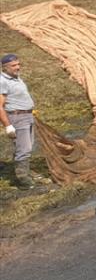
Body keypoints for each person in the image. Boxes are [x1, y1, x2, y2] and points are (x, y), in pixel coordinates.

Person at [1, 53, 47, 188]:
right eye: (14, 65)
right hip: (17, 118)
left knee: (27, 145)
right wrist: (8, 126)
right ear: (5, 68)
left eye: (18, 64)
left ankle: (25, 172)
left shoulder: (16, 78)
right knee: (24, 148)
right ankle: (23, 180)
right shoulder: (2, 81)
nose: (18, 67)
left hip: (27, 116)